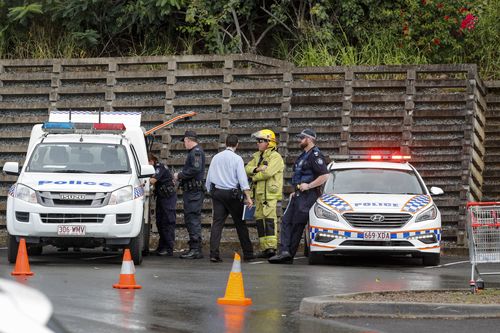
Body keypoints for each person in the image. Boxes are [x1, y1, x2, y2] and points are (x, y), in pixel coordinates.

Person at [268, 128, 329, 264]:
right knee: (286, 220)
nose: (299, 140)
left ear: (310, 139)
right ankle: (285, 252)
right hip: (298, 194)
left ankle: (288, 254)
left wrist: (309, 185)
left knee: (297, 224)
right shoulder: (304, 155)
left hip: (308, 194)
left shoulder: (315, 155)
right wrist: (295, 191)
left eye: (302, 138)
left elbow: (324, 175)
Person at [205, 135, 255, 263]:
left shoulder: (216, 157)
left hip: (217, 193)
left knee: (217, 223)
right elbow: (242, 179)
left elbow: (209, 177)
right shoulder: (237, 159)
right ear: (237, 144)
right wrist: (248, 196)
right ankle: (248, 253)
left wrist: (210, 191)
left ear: (226, 143)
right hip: (232, 194)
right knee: (240, 224)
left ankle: (214, 254)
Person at [245, 129, 284, 258]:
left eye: (260, 141)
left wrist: (254, 176)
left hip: (269, 194)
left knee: (269, 220)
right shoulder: (257, 156)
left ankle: (271, 248)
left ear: (269, 142)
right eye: (257, 141)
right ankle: (264, 248)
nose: (258, 143)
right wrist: (257, 169)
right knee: (260, 220)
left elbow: (268, 173)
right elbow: (246, 169)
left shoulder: (275, 157)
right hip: (259, 194)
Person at [174, 130, 205, 259]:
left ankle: (195, 249)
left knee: (192, 218)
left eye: (184, 142)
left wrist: (179, 175)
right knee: (190, 218)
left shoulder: (196, 152)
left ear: (188, 140)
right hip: (191, 191)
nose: (184, 144)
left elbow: (195, 169)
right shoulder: (194, 152)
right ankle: (194, 247)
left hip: (194, 192)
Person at [149, 153, 177, 256]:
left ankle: (169, 249)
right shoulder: (155, 167)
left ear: (151, 161)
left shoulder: (159, 167)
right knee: (160, 222)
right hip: (161, 197)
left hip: (168, 197)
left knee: (168, 222)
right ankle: (161, 247)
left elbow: (153, 180)